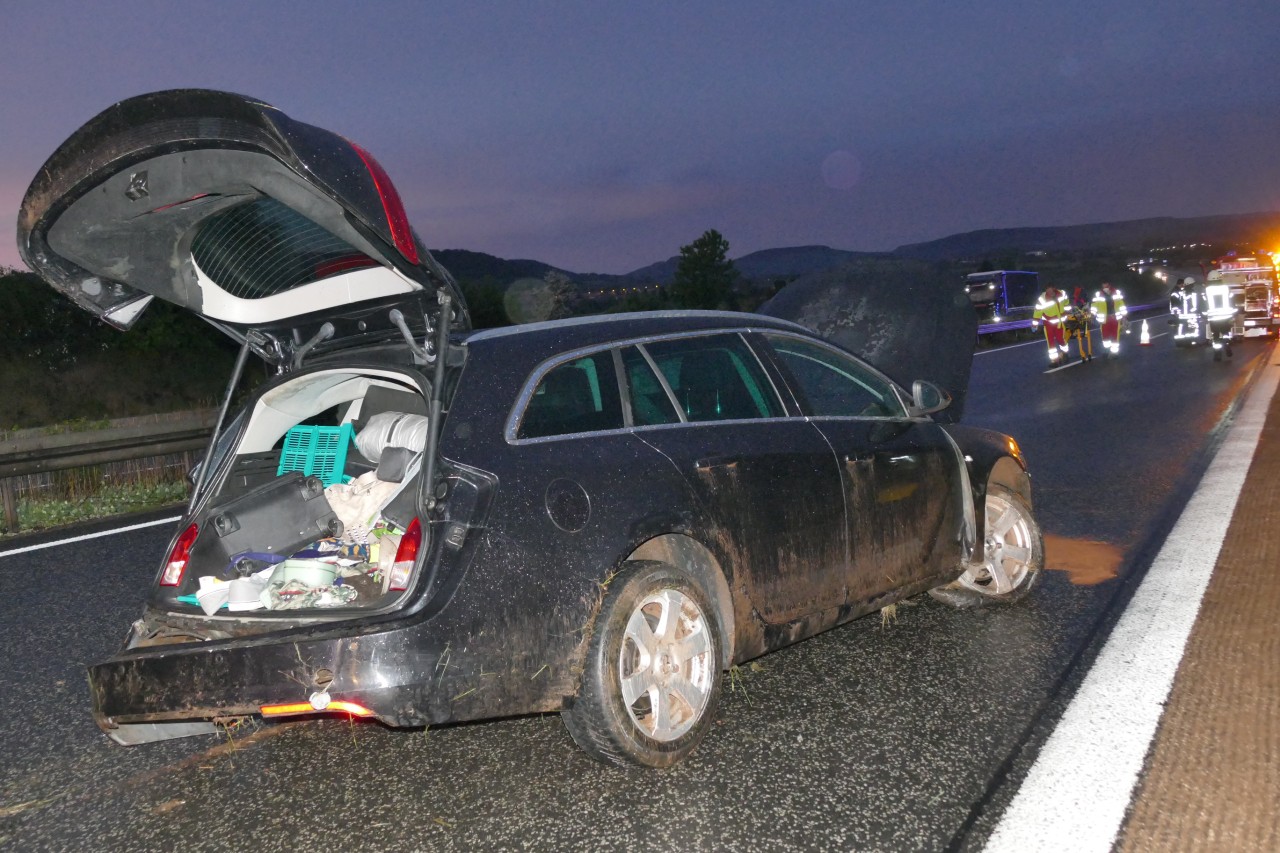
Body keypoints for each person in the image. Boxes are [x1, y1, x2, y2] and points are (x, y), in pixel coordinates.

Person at [1031, 285, 1071, 364]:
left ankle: (1065, 353)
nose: (1049, 292)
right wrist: (1034, 324)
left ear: (1054, 288)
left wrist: (1067, 312)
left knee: (1061, 340)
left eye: (1050, 289)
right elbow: (1037, 312)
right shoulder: (1042, 299)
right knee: (1050, 342)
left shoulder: (1062, 294)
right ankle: (1054, 360)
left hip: (1059, 323)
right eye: (1047, 290)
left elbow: (1066, 302)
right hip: (1048, 324)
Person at [1091, 282, 1128, 356]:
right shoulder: (1098, 294)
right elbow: (1094, 306)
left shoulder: (1116, 292)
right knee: (1105, 336)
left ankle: (1114, 353)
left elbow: (1121, 304)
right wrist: (1092, 314)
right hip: (1104, 319)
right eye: (1103, 283)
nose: (1105, 285)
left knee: (1115, 335)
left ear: (1109, 284)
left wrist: (1124, 315)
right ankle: (1107, 350)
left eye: (1106, 283)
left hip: (1115, 318)